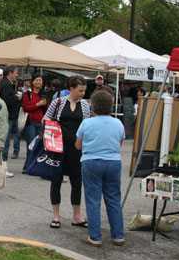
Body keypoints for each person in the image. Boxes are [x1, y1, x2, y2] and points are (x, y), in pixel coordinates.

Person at [76, 90, 125, 247]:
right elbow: (120, 143)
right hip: (113, 162)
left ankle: (95, 237)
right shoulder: (118, 123)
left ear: (94, 106)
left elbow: (78, 145)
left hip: (92, 161)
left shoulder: (87, 123)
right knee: (113, 199)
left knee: (93, 200)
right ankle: (118, 235)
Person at [44, 75, 90, 229]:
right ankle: (56, 215)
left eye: (84, 90)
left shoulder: (84, 105)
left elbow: (87, 125)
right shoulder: (59, 102)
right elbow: (46, 119)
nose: (83, 93)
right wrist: (56, 129)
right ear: (71, 89)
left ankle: (76, 215)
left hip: (77, 148)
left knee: (77, 181)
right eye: (80, 90)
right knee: (56, 180)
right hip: (58, 146)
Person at [21, 73, 47, 174]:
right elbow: (26, 108)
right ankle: (27, 166)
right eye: (36, 80)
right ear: (32, 82)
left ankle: (36, 166)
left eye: (40, 80)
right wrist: (38, 104)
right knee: (30, 145)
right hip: (30, 122)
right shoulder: (28, 94)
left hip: (41, 122)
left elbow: (47, 109)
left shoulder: (44, 94)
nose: (38, 82)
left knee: (39, 145)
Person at [0, 65, 20, 175]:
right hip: (6, 117)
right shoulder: (6, 84)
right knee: (4, 143)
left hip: (5, 117)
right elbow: (7, 100)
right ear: (10, 73)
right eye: (16, 72)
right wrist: (17, 98)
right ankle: (3, 166)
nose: (17, 75)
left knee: (3, 142)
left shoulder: (4, 83)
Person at [9, 73, 32, 158]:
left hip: (29, 114)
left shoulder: (32, 92)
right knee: (18, 133)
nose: (29, 82)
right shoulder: (19, 91)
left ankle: (29, 153)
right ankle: (16, 151)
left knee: (29, 135)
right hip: (21, 112)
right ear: (24, 81)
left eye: (29, 80)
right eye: (27, 80)